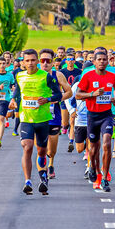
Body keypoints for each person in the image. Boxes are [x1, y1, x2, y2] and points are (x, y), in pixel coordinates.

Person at [10, 49, 63, 195]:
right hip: (26, 118)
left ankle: (43, 177)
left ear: (37, 61)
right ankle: (27, 181)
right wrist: (13, 100)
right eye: (27, 61)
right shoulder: (19, 76)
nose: (30, 63)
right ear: (23, 62)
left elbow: (58, 94)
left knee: (41, 151)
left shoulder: (46, 76)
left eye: (33, 60)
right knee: (27, 147)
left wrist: (48, 99)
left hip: (43, 119)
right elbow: (17, 91)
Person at [76, 50, 115, 192]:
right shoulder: (88, 76)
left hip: (106, 115)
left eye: (104, 59)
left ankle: (105, 177)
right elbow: (77, 95)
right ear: (94, 62)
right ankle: (93, 168)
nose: (102, 62)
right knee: (94, 149)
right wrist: (92, 94)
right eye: (99, 59)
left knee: (107, 144)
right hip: (92, 116)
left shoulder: (112, 76)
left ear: (108, 62)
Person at [39, 49, 72, 179]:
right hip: (37, 116)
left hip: (54, 115)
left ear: (53, 62)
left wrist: (56, 99)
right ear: (39, 62)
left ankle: (51, 163)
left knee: (51, 150)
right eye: (43, 61)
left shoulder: (58, 75)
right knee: (41, 147)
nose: (45, 63)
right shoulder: (33, 76)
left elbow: (69, 92)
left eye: (48, 61)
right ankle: (43, 171)